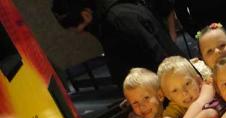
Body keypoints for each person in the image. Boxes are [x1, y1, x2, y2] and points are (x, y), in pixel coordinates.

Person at [51, 0, 182, 85]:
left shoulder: (117, 19)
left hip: (171, 86)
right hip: (155, 87)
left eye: (77, 28)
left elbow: (159, 57)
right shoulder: (109, 16)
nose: (78, 33)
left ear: (86, 15)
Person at [137, 56, 214, 118]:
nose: (184, 92)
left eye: (187, 83)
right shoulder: (177, 104)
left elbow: (200, 103)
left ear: (198, 80)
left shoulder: (207, 86)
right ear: (169, 97)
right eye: (175, 91)